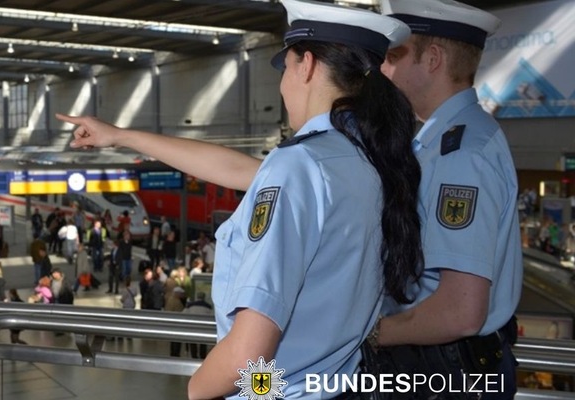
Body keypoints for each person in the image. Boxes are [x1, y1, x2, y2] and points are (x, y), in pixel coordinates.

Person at [55, 0, 423, 396]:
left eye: (285, 67)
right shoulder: (362, 159)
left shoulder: (299, 166)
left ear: (307, 66)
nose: (282, 84)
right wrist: (120, 136)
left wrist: (197, 390)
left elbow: (249, 359)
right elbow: (236, 170)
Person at [372, 1, 523, 397]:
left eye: (393, 57)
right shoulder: (440, 143)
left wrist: (368, 333)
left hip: (447, 373)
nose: (383, 71)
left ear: (433, 59)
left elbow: (460, 313)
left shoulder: (461, 155)